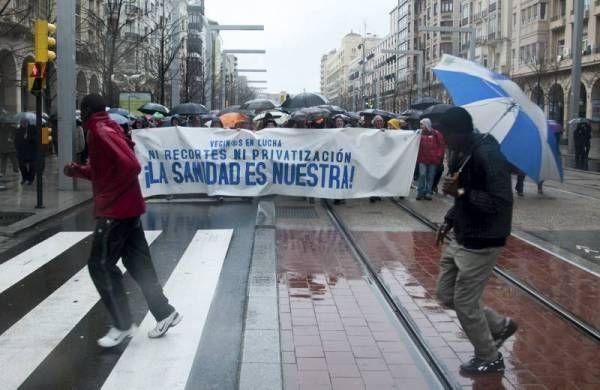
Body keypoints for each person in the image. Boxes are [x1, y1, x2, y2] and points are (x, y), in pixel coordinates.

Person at [63, 94, 181, 348]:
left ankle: (122, 323)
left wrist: (110, 197)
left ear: (85, 111)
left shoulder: (98, 129)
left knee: (100, 265)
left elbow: (130, 166)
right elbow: (105, 170)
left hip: (115, 212)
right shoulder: (109, 126)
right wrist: (78, 171)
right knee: (138, 263)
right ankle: (164, 312)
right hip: (129, 208)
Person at [435, 107, 517, 375]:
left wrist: (459, 191)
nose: (443, 139)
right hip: (462, 232)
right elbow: (462, 192)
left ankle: (489, 357)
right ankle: (499, 326)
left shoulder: (489, 155)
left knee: (466, 303)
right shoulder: (463, 152)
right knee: (446, 294)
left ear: (459, 133)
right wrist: (449, 217)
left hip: (483, 238)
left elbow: (499, 202)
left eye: (445, 134)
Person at [416, 118, 445, 200]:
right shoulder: (418, 133)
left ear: (426, 124)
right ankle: (420, 192)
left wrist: (438, 156)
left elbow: (441, 145)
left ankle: (428, 192)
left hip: (433, 160)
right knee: (422, 175)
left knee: (430, 176)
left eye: (422, 124)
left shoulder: (436, 133)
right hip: (422, 159)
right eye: (420, 124)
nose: (420, 126)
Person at [15, 118, 37, 185]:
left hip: (31, 151)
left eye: (25, 123)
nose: (24, 124)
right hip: (22, 151)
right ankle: (25, 178)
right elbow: (16, 140)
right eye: (22, 123)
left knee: (32, 166)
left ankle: (31, 179)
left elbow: (36, 139)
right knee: (22, 166)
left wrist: (29, 137)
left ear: (28, 123)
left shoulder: (33, 129)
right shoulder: (18, 130)